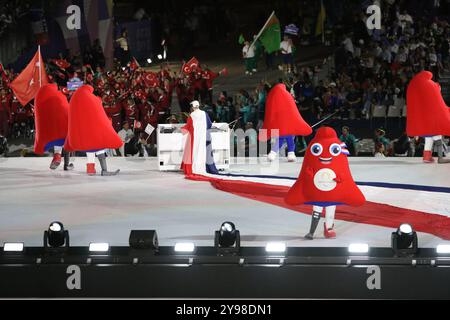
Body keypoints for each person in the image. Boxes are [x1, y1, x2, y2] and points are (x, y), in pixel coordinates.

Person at [285, 127, 365, 240]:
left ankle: (328, 228)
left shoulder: (316, 145)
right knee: (317, 210)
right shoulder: (330, 145)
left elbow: (343, 172)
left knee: (329, 211)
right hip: (320, 190)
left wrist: (339, 178)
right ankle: (312, 231)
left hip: (329, 190)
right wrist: (309, 175)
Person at [64, 85, 122, 176]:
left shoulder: (74, 99)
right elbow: (99, 112)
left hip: (83, 132)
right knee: (99, 148)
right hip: (94, 131)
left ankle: (90, 168)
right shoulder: (91, 98)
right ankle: (104, 170)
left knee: (90, 148)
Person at [181, 100, 218, 176]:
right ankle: (201, 168)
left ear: (192, 107)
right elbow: (209, 125)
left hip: (194, 138)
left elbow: (188, 127)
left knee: (195, 153)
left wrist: (181, 130)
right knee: (202, 153)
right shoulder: (205, 114)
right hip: (203, 137)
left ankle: (194, 168)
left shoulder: (192, 115)